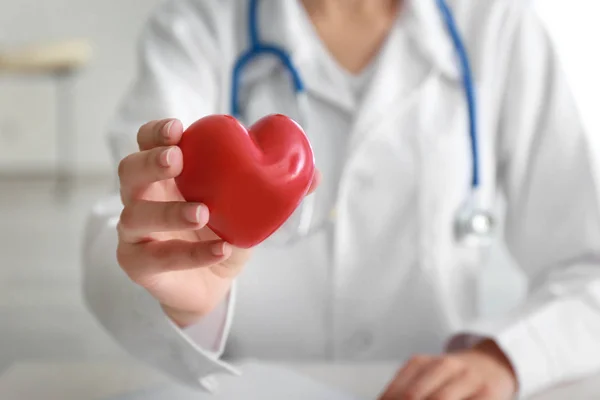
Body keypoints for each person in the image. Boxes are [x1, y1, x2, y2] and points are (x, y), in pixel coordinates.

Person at [82, 0, 600, 399]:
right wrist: (178, 296)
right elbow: (118, 230)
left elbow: (590, 266)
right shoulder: (199, 25)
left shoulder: (496, 25)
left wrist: (506, 358)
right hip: (242, 387)